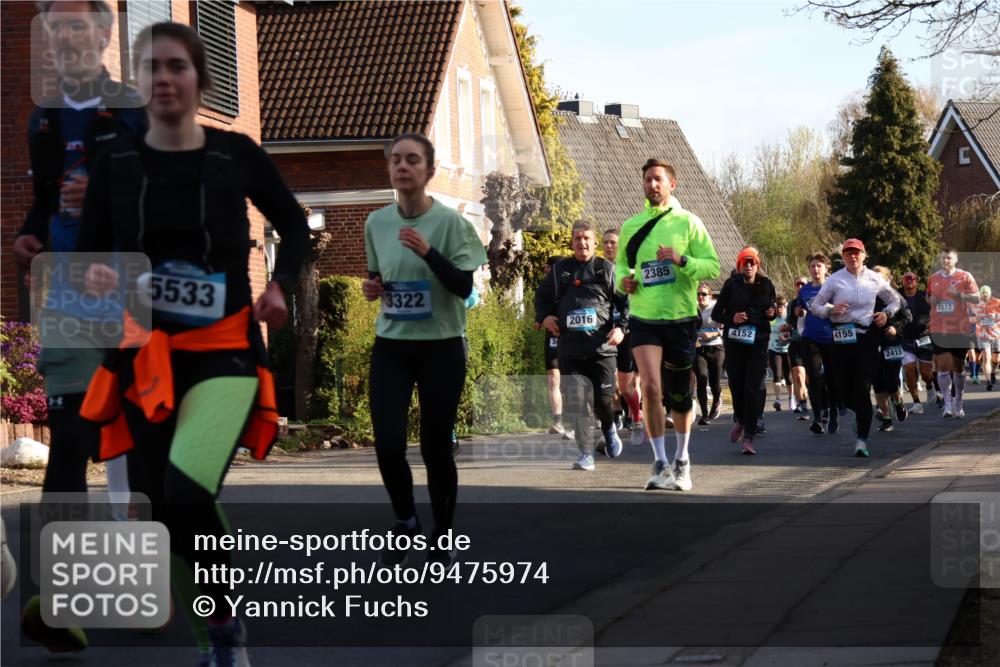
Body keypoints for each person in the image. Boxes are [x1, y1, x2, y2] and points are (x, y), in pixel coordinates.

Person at [76, 22, 309, 666]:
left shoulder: (235, 156)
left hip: (224, 354)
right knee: (162, 505)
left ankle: (227, 635)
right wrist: (98, 275)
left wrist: (282, 285)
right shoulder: (116, 164)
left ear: (199, 79)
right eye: (150, 68)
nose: (163, 78)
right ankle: (219, 634)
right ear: (138, 82)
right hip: (145, 360)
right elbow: (93, 254)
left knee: (185, 489)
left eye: (176, 66)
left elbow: (294, 224)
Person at [13, 0, 147, 654]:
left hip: (128, 293)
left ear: (102, 32)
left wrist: (100, 197)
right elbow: (42, 199)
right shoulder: (42, 118)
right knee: (68, 437)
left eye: (75, 22)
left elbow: (156, 190)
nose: (64, 34)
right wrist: (30, 235)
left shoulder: (131, 107)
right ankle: (60, 599)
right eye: (54, 23)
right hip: (66, 296)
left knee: (138, 444)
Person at [361, 132, 487, 568]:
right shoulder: (375, 223)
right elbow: (379, 276)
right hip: (392, 346)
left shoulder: (453, 224)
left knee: (435, 446)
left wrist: (430, 252)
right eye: (395, 159)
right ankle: (406, 519)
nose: (402, 166)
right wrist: (371, 288)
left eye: (412, 159)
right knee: (389, 442)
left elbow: (463, 285)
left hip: (442, 348)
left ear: (429, 171)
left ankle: (443, 532)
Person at [616, 159, 720, 491]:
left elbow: (713, 266)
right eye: (647, 180)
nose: (652, 185)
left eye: (658, 179)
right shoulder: (631, 226)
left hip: (680, 318)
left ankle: (683, 459)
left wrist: (681, 259)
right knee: (649, 386)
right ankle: (660, 462)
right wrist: (625, 282)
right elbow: (620, 266)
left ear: (672, 184)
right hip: (645, 317)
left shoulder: (689, 223)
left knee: (679, 394)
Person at [536, 220, 628, 470]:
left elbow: (626, 303)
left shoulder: (606, 270)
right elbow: (541, 297)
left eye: (586, 238)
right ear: (572, 242)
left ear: (594, 242)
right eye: (577, 238)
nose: (582, 243)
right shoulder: (560, 271)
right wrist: (544, 317)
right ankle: (585, 453)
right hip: (570, 350)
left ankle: (609, 429)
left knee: (604, 403)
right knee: (576, 402)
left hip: (602, 350)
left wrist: (621, 328)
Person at [809, 239, 903, 457]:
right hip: (841, 337)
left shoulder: (874, 278)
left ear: (864, 255)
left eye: (856, 253)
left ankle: (861, 440)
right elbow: (815, 306)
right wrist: (831, 311)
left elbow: (894, 300)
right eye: (848, 253)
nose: (853, 257)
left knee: (862, 387)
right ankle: (860, 412)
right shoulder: (834, 280)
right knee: (841, 388)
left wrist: (885, 314)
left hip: (866, 336)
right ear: (842, 257)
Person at [712, 247, 776, 455]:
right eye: (744, 263)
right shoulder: (731, 285)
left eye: (752, 263)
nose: (749, 266)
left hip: (758, 342)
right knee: (737, 387)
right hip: (735, 342)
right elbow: (716, 314)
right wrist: (732, 318)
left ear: (758, 265)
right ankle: (740, 419)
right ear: (739, 266)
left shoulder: (766, 284)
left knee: (752, 388)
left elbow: (771, 310)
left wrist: (772, 312)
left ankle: (748, 436)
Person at [926, 248, 980, 419]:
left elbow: (977, 298)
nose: (946, 261)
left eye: (949, 258)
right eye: (943, 258)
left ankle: (959, 401)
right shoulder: (933, 278)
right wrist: (931, 300)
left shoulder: (965, 276)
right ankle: (948, 404)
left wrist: (959, 295)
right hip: (939, 327)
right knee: (942, 365)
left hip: (959, 327)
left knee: (957, 366)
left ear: (955, 259)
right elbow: (928, 297)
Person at [602, 229, 644, 441]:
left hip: (627, 331)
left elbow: (634, 301)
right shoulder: (597, 270)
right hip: (605, 331)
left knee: (626, 385)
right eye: (605, 243)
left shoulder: (629, 272)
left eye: (612, 243)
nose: (608, 246)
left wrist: (625, 325)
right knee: (610, 381)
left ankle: (635, 413)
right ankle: (616, 414)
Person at [798, 253, 839, 435]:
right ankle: (816, 417)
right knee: (813, 378)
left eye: (819, 266)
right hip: (810, 337)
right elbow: (799, 309)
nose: (815, 269)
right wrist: (798, 311)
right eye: (813, 266)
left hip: (830, 337)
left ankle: (833, 409)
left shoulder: (834, 288)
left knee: (831, 377)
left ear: (826, 269)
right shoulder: (804, 290)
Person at [869, 266, 912, 432]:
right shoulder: (866, 296)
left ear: (888, 280)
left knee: (891, 380)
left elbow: (907, 317)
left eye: (881, 278)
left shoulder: (895, 297)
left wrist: (895, 327)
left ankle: (898, 402)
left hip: (892, 341)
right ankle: (887, 418)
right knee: (878, 383)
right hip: (872, 344)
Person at [536, 256, 571, 438]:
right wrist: (540, 318)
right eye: (548, 268)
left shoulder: (572, 284)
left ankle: (586, 416)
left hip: (573, 336)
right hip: (553, 337)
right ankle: (557, 422)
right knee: (553, 380)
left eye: (553, 268)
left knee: (574, 379)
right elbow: (540, 306)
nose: (549, 271)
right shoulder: (544, 288)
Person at [899, 270, 935, 413]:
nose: (910, 281)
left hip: (924, 337)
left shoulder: (924, 296)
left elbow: (935, 312)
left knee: (926, 374)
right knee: (909, 369)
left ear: (917, 281)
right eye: (907, 278)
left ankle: (930, 386)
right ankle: (916, 403)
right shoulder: (897, 296)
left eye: (912, 278)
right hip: (905, 339)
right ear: (903, 281)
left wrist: (932, 322)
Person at [694, 284, 724, 425]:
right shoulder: (693, 308)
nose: (700, 297)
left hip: (716, 347)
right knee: (701, 378)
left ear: (710, 296)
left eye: (704, 294)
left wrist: (711, 333)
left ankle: (717, 400)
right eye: (698, 294)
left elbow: (724, 328)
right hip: (699, 348)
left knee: (714, 382)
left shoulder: (716, 308)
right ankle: (704, 414)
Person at [783, 276, 810, 419]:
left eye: (803, 284)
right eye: (797, 284)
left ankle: (822, 406)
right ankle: (804, 408)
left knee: (811, 379)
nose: (800, 286)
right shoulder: (792, 304)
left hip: (811, 343)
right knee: (798, 376)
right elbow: (790, 323)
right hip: (796, 343)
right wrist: (785, 327)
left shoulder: (814, 299)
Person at [768, 296, 792, 412]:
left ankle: (791, 398)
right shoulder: (772, 319)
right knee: (777, 374)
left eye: (781, 307)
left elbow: (794, 332)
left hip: (787, 350)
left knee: (788, 377)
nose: (779, 310)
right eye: (777, 308)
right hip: (774, 349)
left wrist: (787, 337)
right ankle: (777, 400)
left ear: (785, 308)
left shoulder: (788, 319)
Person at [975, 285, 999, 390]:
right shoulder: (976, 304)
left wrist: (996, 317)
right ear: (980, 294)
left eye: (986, 292)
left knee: (996, 358)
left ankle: (993, 372)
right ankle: (988, 381)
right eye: (983, 293)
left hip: (996, 334)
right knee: (986, 357)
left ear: (989, 293)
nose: (984, 295)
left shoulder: (997, 302)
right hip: (982, 335)